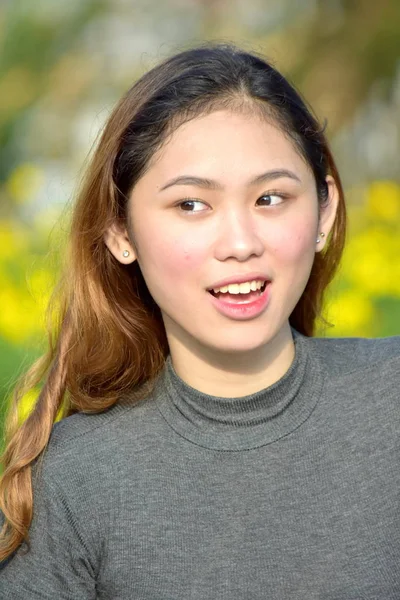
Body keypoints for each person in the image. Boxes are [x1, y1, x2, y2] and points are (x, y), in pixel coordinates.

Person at [0, 42, 399, 599]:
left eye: (271, 198)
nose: (239, 244)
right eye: (191, 205)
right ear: (119, 232)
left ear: (324, 212)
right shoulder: (73, 479)